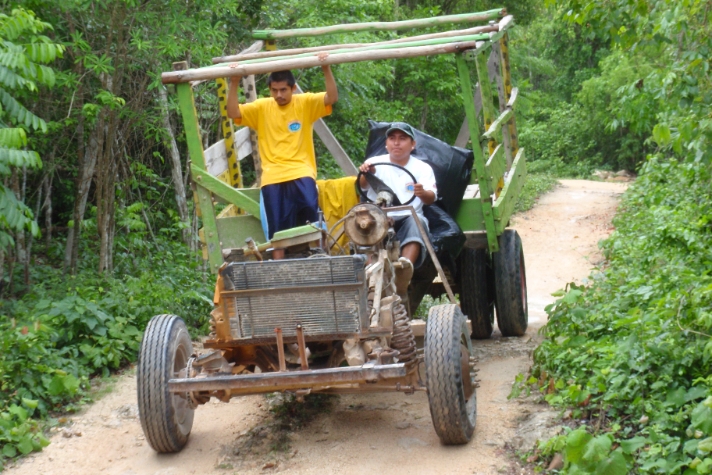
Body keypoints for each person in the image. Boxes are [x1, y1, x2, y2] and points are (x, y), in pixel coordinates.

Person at [226, 59, 338, 240]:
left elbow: (331, 98)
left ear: (293, 89)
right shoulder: (262, 107)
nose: (279, 95)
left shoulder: (305, 103)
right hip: (273, 175)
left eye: (283, 90)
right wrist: (234, 82)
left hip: (301, 170)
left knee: (312, 216)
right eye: (274, 90)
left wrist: (326, 67)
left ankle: (320, 256)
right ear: (269, 90)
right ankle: (279, 263)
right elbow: (233, 113)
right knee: (278, 230)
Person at [358, 122, 437, 269]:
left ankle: (404, 269)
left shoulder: (422, 168)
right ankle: (370, 271)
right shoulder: (374, 163)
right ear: (386, 143)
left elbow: (431, 198)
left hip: (408, 216)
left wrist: (423, 193)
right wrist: (367, 174)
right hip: (379, 215)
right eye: (392, 138)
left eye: (402, 138)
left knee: (418, 221)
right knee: (362, 221)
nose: (396, 143)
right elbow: (361, 186)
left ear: (412, 144)